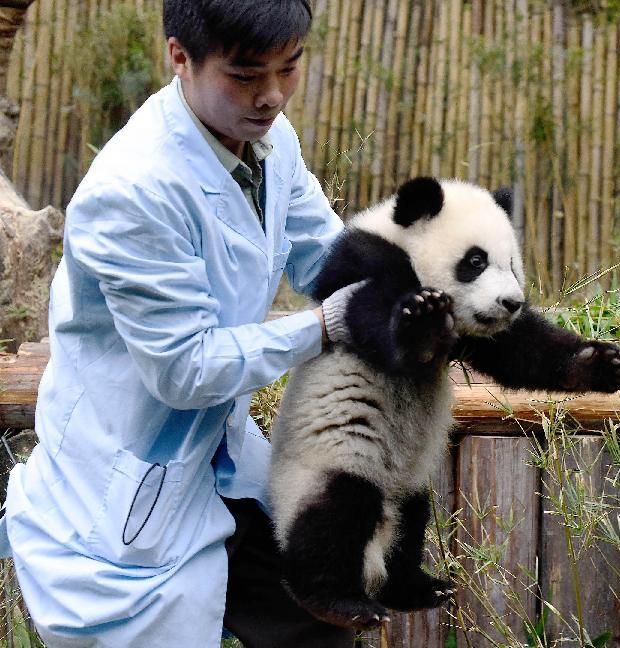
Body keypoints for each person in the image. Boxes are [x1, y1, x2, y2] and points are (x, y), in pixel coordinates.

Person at [0, 1, 362, 645]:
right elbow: (186, 368)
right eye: (247, 76)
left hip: (218, 462)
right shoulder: (133, 190)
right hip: (126, 488)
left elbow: (325, 256)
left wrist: (411, 283)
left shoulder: (270, 145)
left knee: (315, 622)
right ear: (180, 57)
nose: (273, 96)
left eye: (290, 67)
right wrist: (328, 326)